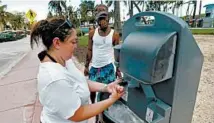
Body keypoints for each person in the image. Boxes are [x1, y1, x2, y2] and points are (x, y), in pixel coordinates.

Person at [30, 17, 124, 123]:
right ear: (57, 43)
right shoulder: (55, 78)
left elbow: (79, 82)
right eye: (73, 42)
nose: (76, 46)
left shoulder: (64, 59)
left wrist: (106, 87)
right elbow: (77, 114)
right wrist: (111, 100)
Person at [84, 4, 122, 104]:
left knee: (108, 92)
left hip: (108, 68)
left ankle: (104, 113)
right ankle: (94, 109)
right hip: (95, 67)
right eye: (98, 13)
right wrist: (86, 66)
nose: (102, 19)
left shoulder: (115, 34)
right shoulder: (92, 33)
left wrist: (118, 69)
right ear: (96, 18)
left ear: (108, 17)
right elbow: (89, 50)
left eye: (103, 13)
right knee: (92, 91)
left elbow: (117, 53)